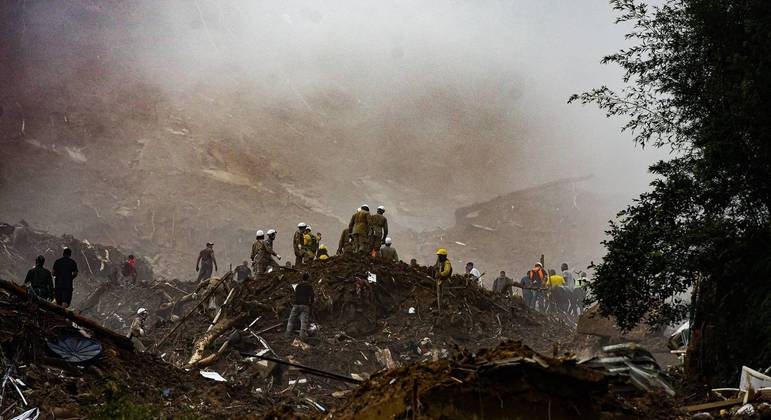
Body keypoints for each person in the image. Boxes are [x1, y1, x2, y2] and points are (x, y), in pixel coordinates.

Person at [285, 273, 314, 339]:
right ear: (308, 278)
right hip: (304, 305)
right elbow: (312, 296)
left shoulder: (298, 286)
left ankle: (287, 334)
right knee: (304, 322)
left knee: (291, 320)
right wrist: (311, 303)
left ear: (302, 278)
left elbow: (295, 295)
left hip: (296, 305)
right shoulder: (309, 286)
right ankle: (302, 337)